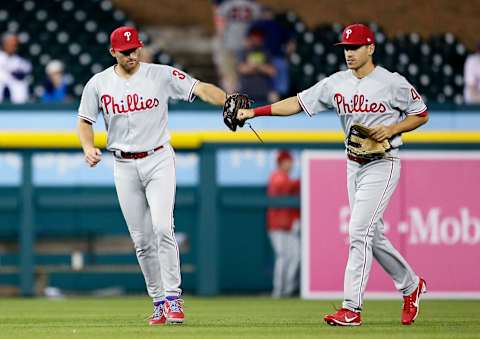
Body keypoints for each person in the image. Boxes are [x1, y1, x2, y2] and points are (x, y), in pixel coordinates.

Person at [238, 23, 429, 326]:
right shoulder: (336, 83)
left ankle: (351, 308)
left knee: (358, 233)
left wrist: (392, 128)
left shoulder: (392, 83)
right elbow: (297, 103)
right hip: (353, 163)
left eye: (355, 47)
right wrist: (254, 112)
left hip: (383, 161)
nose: (349, 53)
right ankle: (411, 285)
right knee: (371, 234)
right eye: (345, 49)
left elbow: (421, 113)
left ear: (371, 48)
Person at [77, 26, 229, 326]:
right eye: (125, 51)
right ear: (113, 53)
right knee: (142, 240)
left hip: (158, 158)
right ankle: (158, 300)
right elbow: (84, 120)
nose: (132, 55)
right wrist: (88, 146)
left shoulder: (160, 74)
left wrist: (227, 100)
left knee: (162, 227)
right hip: (123, 165)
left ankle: (174, 298)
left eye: (135, 49)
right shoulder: (98, 83)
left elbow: (200, 88)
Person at [267, 150, 300, 298]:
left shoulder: (287, 177)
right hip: (277, 226)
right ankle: (278, 291)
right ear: (281, 162)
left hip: (289, 225)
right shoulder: (277, 177)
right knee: (282, 257)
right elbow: (284, 186)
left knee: (296, 256)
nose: (291, 164)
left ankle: (287, 289)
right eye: (288, 161)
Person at [213, 0, 261, 93]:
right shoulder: (254, 6)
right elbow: (258, 26)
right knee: (242, 72)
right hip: (246, 45)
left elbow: (220, 27)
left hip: (229, 43)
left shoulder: (226, 5)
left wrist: (221, 41)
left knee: (230, 74)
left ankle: (231, 98)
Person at [249, 6, 293, 97]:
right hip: (265, 57)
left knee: (277, 81)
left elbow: (247, 41)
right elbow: (290, 45)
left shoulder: (261, 25)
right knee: (275, 82)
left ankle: (276, 96)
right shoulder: (259, 25)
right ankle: (276, 96)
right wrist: (288, 56)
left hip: (269, 57)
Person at [237, 29, 277, 103]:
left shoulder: (266, 52)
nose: (256, 39)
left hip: (263, 93)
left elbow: (272, 71)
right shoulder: (244, 52)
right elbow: (242, 70)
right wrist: (257, 67)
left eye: (259, 37)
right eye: (254, 37)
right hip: (245, 93)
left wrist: (257, 65)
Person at [0, 33, 32, 103]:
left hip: (16, 94)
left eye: (15, 44)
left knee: (20, 84)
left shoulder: (20, 60)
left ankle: (19, 109)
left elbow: (27, 68)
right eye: (10, 44)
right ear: (4, 44)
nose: (13, 46)